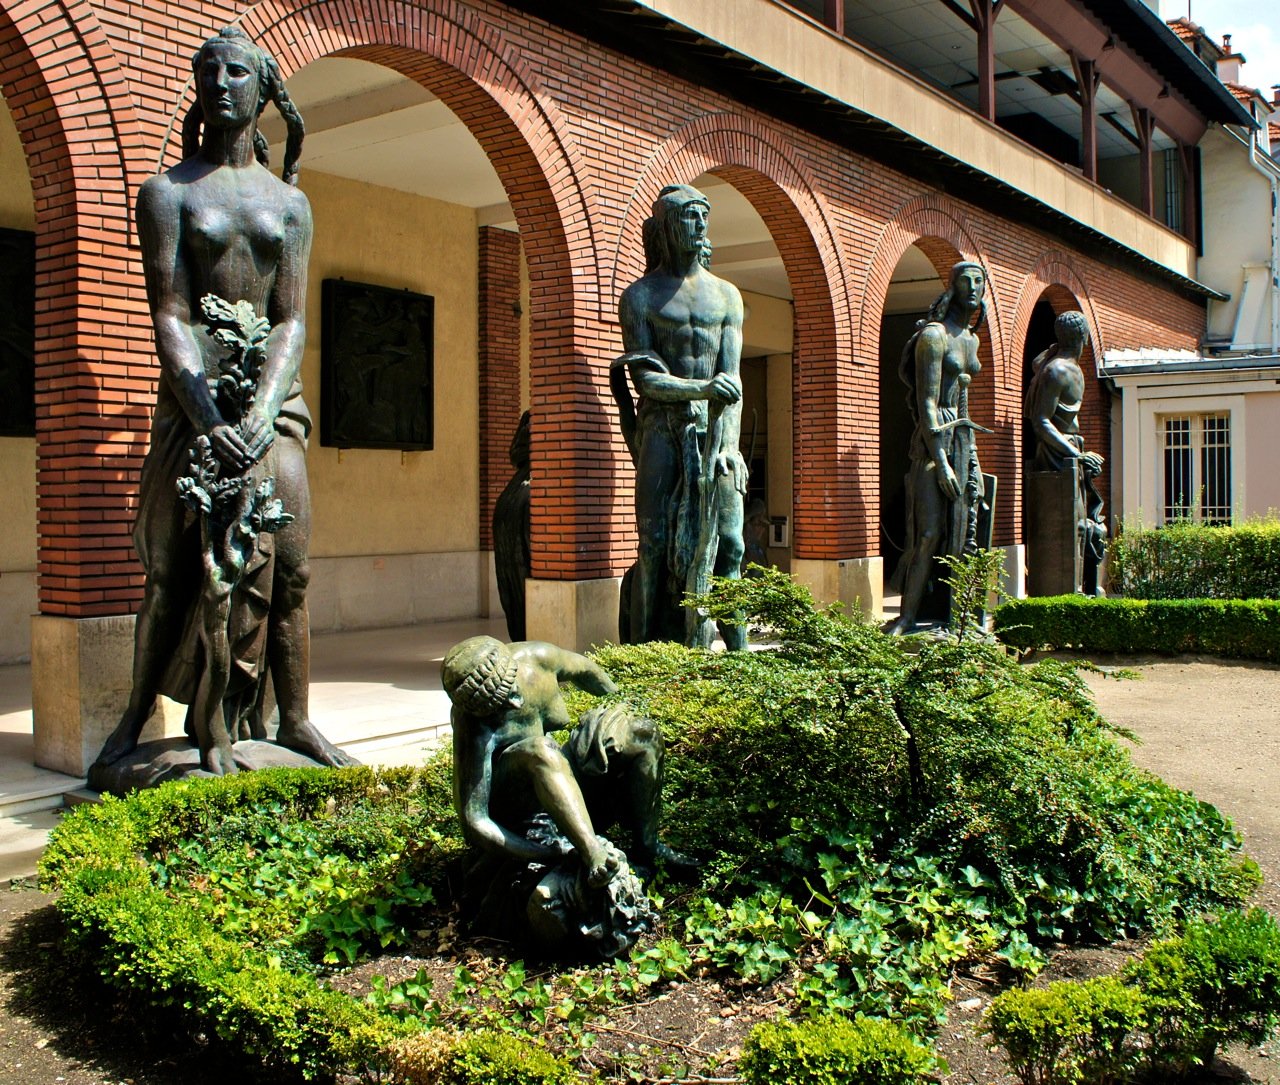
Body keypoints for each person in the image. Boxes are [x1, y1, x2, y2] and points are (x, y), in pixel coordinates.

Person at [92, 27, 351, 776]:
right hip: (195, 403)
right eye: (209, 71)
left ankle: (295, 719)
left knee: (292, 568)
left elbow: (293, 318)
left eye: (238, 71)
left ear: (265, 86)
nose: (222, 83)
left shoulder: (290, 204)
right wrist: (210, 418)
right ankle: (130, 723)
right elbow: (168, 313)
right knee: (174, 572)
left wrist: (261, 413)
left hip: (272, 409)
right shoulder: (168, 193)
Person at [612, 184, 748, 648]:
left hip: (715, 434)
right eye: (690, 216)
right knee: (653, 543)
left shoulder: (728, 297)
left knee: (729, 542)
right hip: (661, 432)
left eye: (704, 216)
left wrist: (727, 447)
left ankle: (739, 654)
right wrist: (702, 389)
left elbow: (733, 382)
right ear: (668, 226)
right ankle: (645, 652)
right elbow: (646, 381)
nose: (701, 225)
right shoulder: (640, 297)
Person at [444, 636, 686, 885]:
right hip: (518, 802)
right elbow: (475, 821)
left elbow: (587, 670)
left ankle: (648, 846)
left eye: (511, 689)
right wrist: (548, 852)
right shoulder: (472, 725)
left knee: (642, 732)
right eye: (499, 707)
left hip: (554, 771)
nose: (514, 702)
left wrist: (622, 708)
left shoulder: (539, 657)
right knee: (541, 748)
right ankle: (593, 853)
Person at [886, 261, 989, 635]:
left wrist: (967, 455)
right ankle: (907, 616)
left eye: (979, 281)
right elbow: (928, 403)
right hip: (933, 442)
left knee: (966, 532)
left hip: (963, 439)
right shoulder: (934, 336)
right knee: (927, 534)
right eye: (966, 280)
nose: (974, 287)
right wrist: (941, 462)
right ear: (952, 287)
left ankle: (961, 618)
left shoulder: (972, 338)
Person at [1024, 309, 1106, 590]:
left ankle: (1080, 590)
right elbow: (1041, 421)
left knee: (1088, 526)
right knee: (1075, 526)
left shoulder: (1066, 367)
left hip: (1070, 454)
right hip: (1057, 458)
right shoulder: (1057, 370)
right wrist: (1076, 455)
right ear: (1084, 337)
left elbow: (1037, 363)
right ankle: (1065, 592)